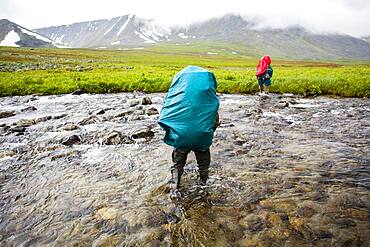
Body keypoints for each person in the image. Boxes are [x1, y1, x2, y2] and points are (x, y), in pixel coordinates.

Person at [158, 65, 220, 197]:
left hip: (181, 137)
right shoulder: (210, 101)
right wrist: (207, 132)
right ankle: (204, 185)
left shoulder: (176, 97)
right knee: (203, 165)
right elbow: (215, 122)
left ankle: (175, 188)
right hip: (202, 137)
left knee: (177, 164)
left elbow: (166, 115)